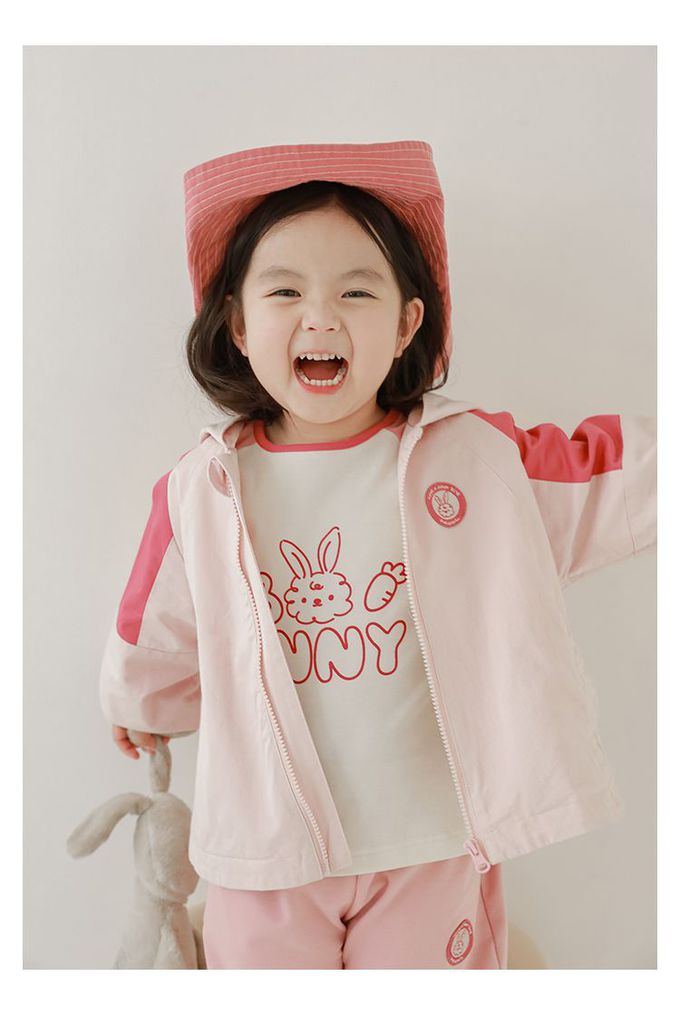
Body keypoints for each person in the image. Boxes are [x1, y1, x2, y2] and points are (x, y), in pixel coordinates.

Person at [99, 141, 656, 969]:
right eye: (285, 291)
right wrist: (139, 699)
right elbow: (156, 617)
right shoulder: (204, 488)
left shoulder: (471, 461)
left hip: (430, 838)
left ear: (406, 325)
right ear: (239, 325)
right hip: (265, 849)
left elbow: (603, 473)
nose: (320, 316)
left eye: (356, 291)